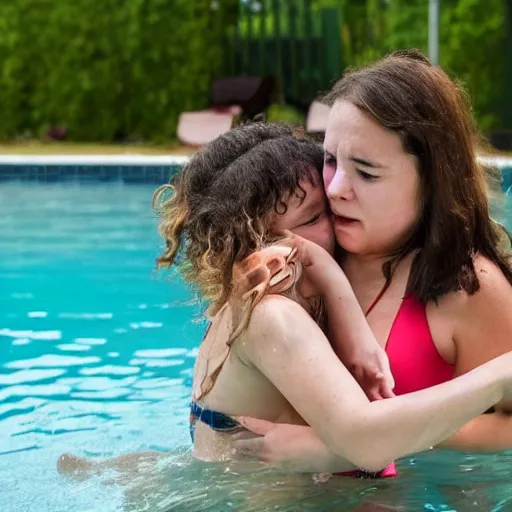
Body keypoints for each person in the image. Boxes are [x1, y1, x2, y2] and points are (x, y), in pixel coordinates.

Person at [232, 50, 512, 471]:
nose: (337, 188)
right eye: (330, 161)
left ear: (433, 181)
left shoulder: (468, 286)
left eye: (366, 171)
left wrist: (345, 442)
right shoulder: (308, 252)